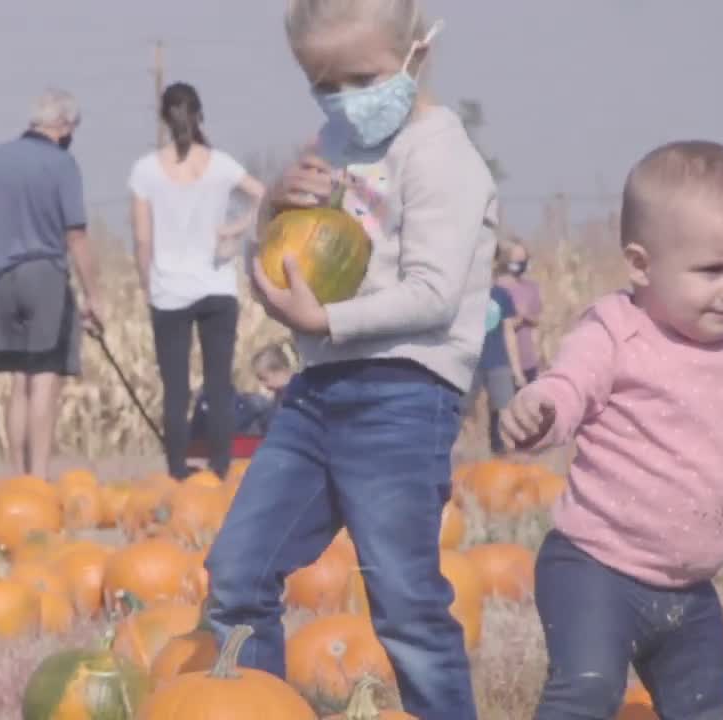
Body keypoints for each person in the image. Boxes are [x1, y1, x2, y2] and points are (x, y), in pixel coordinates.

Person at [203, 2, 499, 717]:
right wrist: (271, 213)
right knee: (238, 572)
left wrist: (326, 319)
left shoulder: (441, 155)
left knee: (405, 602)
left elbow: (433, 295)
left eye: (362, 77)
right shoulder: (330, 143)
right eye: (323, 82)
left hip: (404, 396)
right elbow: (282, 262)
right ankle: (256, 704)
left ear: (416, 54)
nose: (345, 99)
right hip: (315, 397)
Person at [500, 141, 723, 719]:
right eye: (713, 269)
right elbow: (571, 384)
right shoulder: (618, 330)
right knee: (589, 690)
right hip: (596, 569)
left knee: (707, 710)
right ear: (642, 265)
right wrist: (541, 408)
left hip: (691, 590)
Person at [128, 81, 266, 480]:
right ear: (199, 116)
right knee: (219, 383)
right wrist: (235, 228)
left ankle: (177, 472)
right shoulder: (222, 164)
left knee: (175, 388)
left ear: (164, 120)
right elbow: (265, 196)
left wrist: (146, 283)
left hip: (169, 290)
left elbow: (141, 238)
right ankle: (221, 470)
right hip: (217, 286)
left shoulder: (145, 170)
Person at [0, 88, 102, 480]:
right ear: (62, 125)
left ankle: (17, 476)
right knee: (45, 377)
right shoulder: (61, 164)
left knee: (18, 380)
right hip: (44, 273)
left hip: (2, 276)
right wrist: (95, 294)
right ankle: (39, 478)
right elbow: (76, 236)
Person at [469, 241, 526, 454]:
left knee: (505, 414)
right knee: (461, 415)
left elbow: (509, 333)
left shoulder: (501, 295)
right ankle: (462, 462)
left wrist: (517, 371)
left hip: (499, 363)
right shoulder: (464, 294)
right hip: (469, 363)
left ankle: (504, 463)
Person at [495, 234, 545, 381]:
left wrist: (526, 317)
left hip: (531, 361)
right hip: (505, 364)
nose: (522, 263)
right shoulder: (498, 290)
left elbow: (538, 322)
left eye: (524, 260)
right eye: (517, 260)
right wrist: (514, 320)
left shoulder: (532, 288)